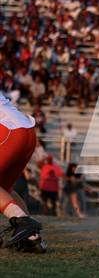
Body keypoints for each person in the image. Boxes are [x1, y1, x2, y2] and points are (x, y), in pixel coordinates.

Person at [0, 92, 46, 253]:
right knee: (4, 190)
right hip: (26, 132)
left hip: (8, 131)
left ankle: (24, 222)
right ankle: (32, 239)